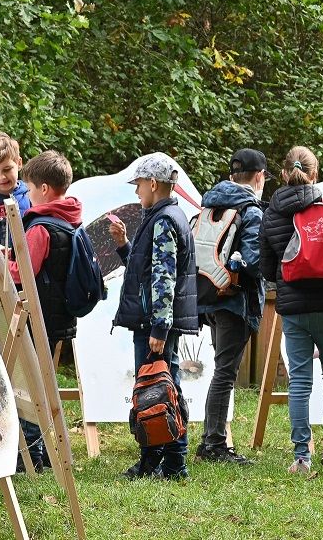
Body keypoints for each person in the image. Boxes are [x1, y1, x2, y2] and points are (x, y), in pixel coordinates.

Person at [259, 146, 323, 476]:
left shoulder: (272, 213)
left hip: (293, 306)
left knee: (300, 380)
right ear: (315, 174)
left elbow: (266, 268)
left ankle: (302, 456)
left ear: (284, 173)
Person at [109, 152, 199, 480]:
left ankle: (162, 463)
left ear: (152, 183)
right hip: (155, 320)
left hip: (154, 322)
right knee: (165, 387)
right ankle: (171, 463)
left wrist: (159, 327)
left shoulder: (163, 220)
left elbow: (164, 277)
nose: (136, 192)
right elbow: (145, 269)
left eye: (138, 185)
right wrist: (123, 245)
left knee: (156, 392)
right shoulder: (165, 216)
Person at [6, 150, 83, 472]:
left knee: (29, 386)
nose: (27, 195)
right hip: (59, 316)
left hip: (40, 317)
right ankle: (48, 453)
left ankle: (32, 455)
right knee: (42, 383)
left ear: (44, 189)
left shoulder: (40, 227)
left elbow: (23, 273)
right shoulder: (70, 218)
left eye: (29, 189)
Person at [195, 149, 269, 466]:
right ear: (259, 177)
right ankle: (213, 443)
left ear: (231, 176)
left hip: (209, 295)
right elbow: (253, 261)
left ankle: (210, 440)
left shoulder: (211, 204)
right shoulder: (251, 211)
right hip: (236, 301)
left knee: (221, 369)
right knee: (225, 373)